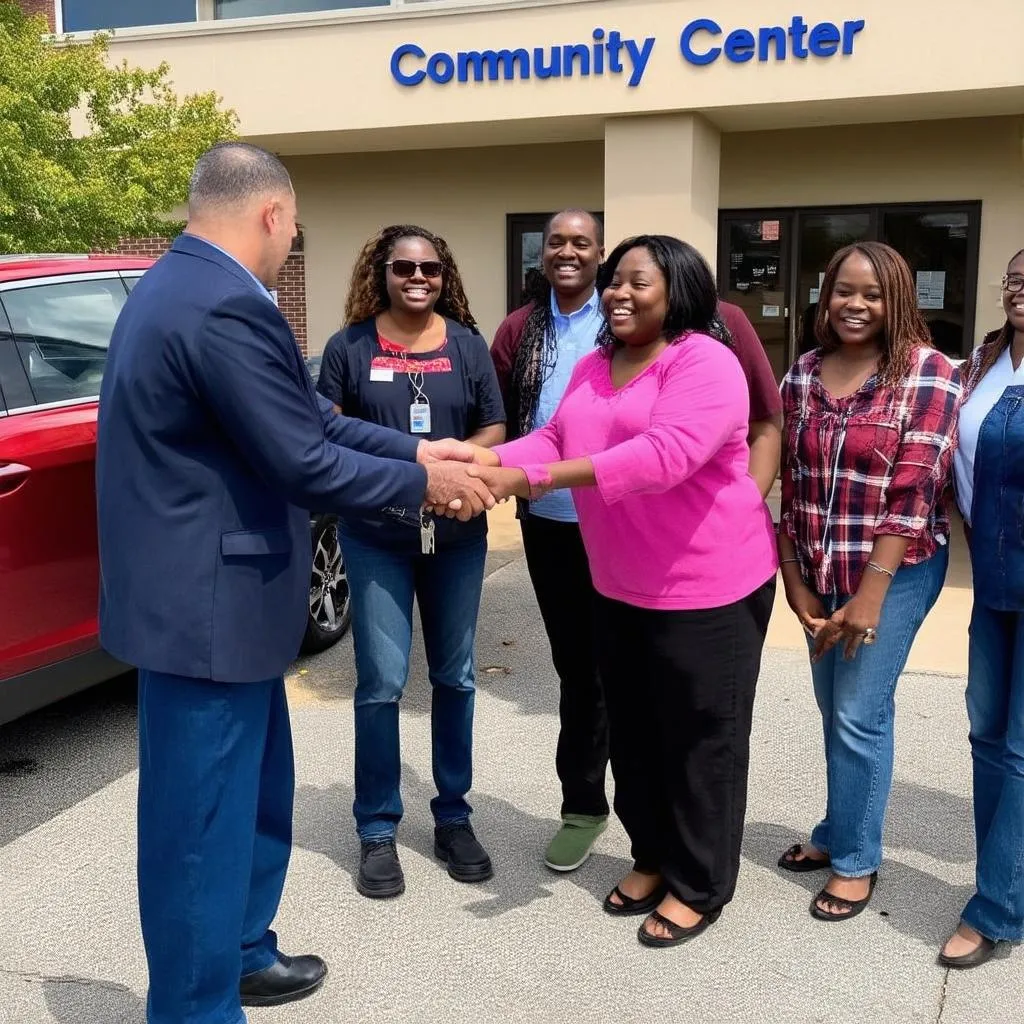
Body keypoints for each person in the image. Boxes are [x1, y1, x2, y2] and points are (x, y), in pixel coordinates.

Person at [96, 142, 494, 1024]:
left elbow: (306, 415)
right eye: (295, 226)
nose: (291, 243)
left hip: (224, 611)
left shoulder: (182, 285)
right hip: (207, 614)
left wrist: (418, 448)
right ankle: (196, 1008)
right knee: (199, 834)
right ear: (273, 214)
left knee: (253, 798)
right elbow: (301, 457)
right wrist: (424, 485)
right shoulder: (223, 305)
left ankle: (241, 953)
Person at [473, 235, 778, 948]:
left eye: (637, 282)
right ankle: (651, 855)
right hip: (618, 583)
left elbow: (665, 456)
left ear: (678, 290)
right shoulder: (593, 366)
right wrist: (482, 462)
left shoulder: (707, 361)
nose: (618, 293)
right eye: (614, 282)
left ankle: (699, 883)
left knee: (700, 741)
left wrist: (530, 481)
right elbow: (551, 439)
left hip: (709, 587)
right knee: (635, 736)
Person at [316, 225, 505, 899]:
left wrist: (460, 461)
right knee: (381, 682)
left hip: (456, 535)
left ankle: (453, 817)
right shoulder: (350, 347)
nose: (417, 276)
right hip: (377, 535)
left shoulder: (466, 346)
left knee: (454, 677)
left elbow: (494, 426)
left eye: (430, 267)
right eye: (404, 267)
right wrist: (413, 465)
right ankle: (376, 828)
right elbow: (327, 430)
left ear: (444, 274)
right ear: (383, 272)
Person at [775, 242, 959, 921]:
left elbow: (914, 492)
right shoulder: (802, 373)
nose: (855, 305)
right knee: (836, 707)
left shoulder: (929, 374)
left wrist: (869, 597)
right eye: (842, 291)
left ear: (898, 300)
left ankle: (855, 860)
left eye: (872, 294)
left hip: (897, 571)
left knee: (859, 713)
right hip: (821, 567)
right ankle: (835, 832)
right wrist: (794, 582)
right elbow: (792, 483)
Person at [940, 247, 1024, 969]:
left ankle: (997, 906)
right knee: (986, 732)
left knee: (1022, 748)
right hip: (992, 575)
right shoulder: (982, 362)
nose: (1023, 287)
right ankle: (1006, 877)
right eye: (1018, 275)